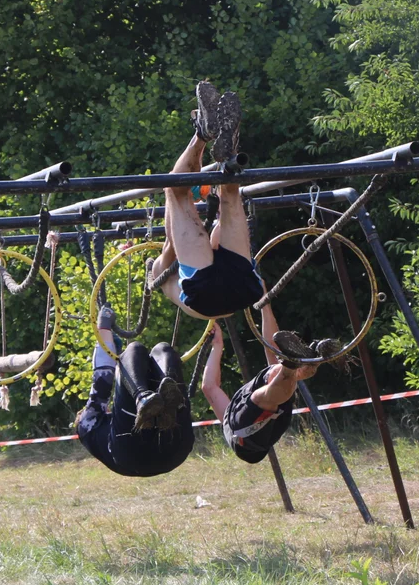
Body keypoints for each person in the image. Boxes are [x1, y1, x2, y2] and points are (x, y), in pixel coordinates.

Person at [149, 80, 263, 320]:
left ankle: (229, 157)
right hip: (205, 290)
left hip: (241, 290)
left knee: (230, 196)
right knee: (175, 190)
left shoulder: (170, 282)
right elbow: (172, 240)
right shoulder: (161, 271)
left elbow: (192, 237)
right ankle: (202, 134)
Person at [200, 302, 338, 464]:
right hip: (246, 435)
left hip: (249, 429)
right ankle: (296, 366)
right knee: (265, 390)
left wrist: (217, 345)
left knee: (272, 372)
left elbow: (208, 386)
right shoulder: (236, 420)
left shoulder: (231, 415)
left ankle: (297, 365)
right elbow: (209, 387)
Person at [75, 306, 195, 477]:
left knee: (162, 350)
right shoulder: (85, 423)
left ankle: (166, 395)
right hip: (134, 454)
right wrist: (103, 325)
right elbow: (102, 379)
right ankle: (142, 397)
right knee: (134, 349)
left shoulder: (96, 435)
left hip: (175, 451)